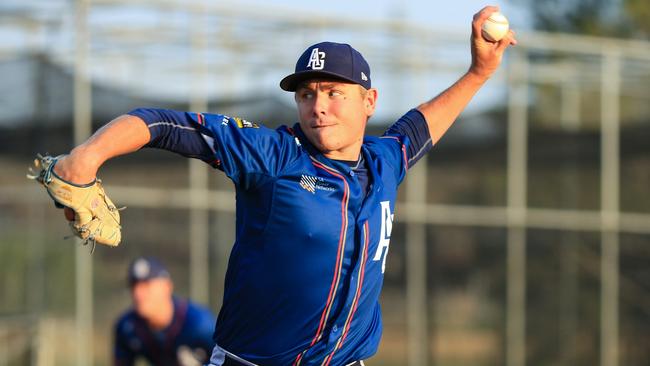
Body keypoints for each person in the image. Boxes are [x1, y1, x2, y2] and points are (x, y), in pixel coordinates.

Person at [52, 6, 515, 366]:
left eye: (335, 92)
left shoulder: (384, 160)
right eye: (307, 93)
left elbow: (420, 126)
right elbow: (163, 123)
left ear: (369, 101)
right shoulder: (272, 154)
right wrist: (86, 158)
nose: (319, 106)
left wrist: (480, 73)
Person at [113, 257, 217, 366]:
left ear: (167, 286)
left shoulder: (199, 324)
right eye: (134, 286)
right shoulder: (128, 327)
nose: (138, 293)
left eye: (146, 285)